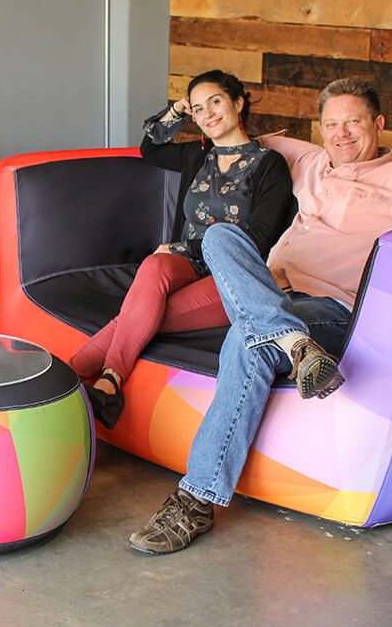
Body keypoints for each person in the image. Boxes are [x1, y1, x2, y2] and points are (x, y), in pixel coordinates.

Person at [128, 77, 392, 555]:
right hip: (269, 295)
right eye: (331, 124)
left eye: (353, 121)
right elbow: (217, 128)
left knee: (245, 342)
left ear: (378, 124)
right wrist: (190, 108)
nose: (342, 134)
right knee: (221, 237)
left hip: (334, 309)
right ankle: (294, 345)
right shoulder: (308, 160)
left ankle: (196, 500)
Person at [69, 70, 296, 429]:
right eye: (198, 109)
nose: (208, 115)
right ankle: (103, 384)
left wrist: (181, 245)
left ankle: (74, 378)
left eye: (216, 102)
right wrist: (176, 109)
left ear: (238, 103)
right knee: (155, 266)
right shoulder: (198, 155)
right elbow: (151, 148)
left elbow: (258, 238)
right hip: (187, 264)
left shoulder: (269, 165)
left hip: (235, 276)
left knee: (141, 314)